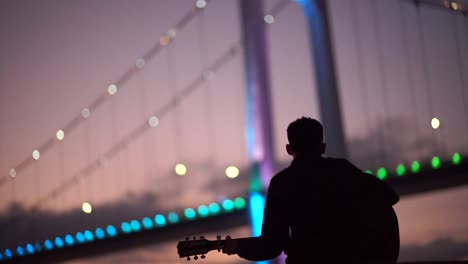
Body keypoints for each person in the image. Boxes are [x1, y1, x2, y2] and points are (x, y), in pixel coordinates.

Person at [222, 116, 400, 263]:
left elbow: (271, 246)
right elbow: (389, 195)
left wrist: (237, 247)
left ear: (289, 149)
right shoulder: (342, 169)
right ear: (322, 147)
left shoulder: (282, 183)